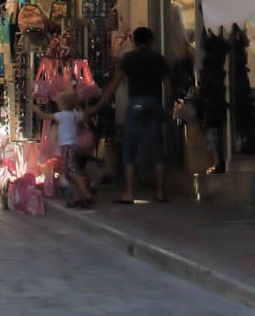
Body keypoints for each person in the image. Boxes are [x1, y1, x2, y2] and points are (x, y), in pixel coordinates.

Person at [98, 26, 171, 204]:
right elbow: (167, 85)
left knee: (129, 146)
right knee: (157, 147)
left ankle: (129, 192)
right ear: (151, 41)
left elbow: (115, 83)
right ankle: (160, 192)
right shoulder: (159, 59)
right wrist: (167, 108)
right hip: (154, 103)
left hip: (136, 103)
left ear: (134, 41)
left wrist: (101, 102)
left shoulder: (129, 58)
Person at [35, 88, 99, 209]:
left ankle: (87, 196)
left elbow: (45, 116)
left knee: (73, 173)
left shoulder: (63, 115)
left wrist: (37, 110)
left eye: (59, 102)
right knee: (69, 174)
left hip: (67, 147)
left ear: (64, 104)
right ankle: (76, 198)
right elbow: (85, 116)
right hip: (71, 146)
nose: (58, 104)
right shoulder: (74, 115)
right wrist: (78, 106)